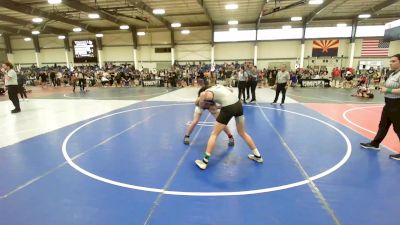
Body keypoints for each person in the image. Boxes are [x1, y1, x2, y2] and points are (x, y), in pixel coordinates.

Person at [194, 84, 263, 170]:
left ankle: (204, 162)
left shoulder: (206, 92)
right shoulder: (218, 86)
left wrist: (200, 101)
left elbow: (202, 99)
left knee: (214, 134)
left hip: (229, 106)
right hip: (238, 105)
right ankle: (258, 156)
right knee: (242, 133)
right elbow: (230, 90)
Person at [360, 54, 400, 161]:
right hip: (389, 103)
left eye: (393, 61)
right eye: (390, 61)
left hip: (397, 104)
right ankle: (375, 144)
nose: (390, 63)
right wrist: (383, 85)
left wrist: (387, 90)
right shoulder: (392, 73)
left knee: (398, 128)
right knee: (383, 125)